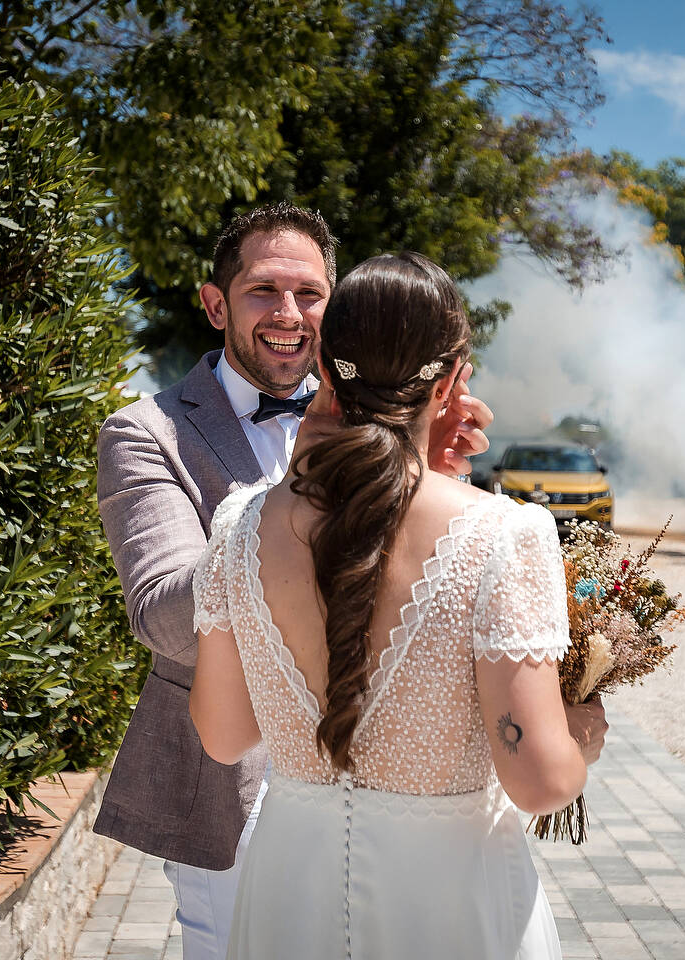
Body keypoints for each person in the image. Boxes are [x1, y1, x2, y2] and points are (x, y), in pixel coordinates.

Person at [94, 204, 493, 960]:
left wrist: (436, 479)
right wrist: (282, 510)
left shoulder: (384, 421)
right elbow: (161, 618)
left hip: (390, 782)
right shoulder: (144, 433)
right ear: (215, 304)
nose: (289, 314)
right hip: (231, 782)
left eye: (309, 294)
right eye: (262, 291)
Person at [187, 251, 608, 958]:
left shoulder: (240, 528)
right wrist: (579, 740)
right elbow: (538, 782)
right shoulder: (502, 535)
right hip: (453, 902)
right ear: (450, 381)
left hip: (289, 895)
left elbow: (224, 737)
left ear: (326, 369)